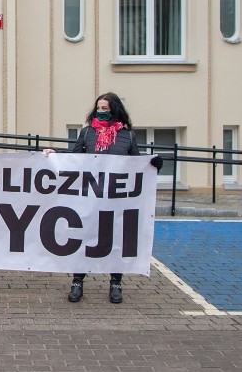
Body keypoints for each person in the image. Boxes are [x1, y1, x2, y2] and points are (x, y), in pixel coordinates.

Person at [43, 91, 163, 304]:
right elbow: (74, 159)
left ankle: (116, 283)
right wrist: (54, 157)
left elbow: (136, 164)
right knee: (84, 237)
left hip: (116, 200)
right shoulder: (88, 133)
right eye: (99, 108)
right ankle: (78, 281)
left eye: (105, 108)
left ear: (115, 110)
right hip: (90, 198)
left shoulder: (127, 136)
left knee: (115, 239)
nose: (101, 111)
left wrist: (153, 165)